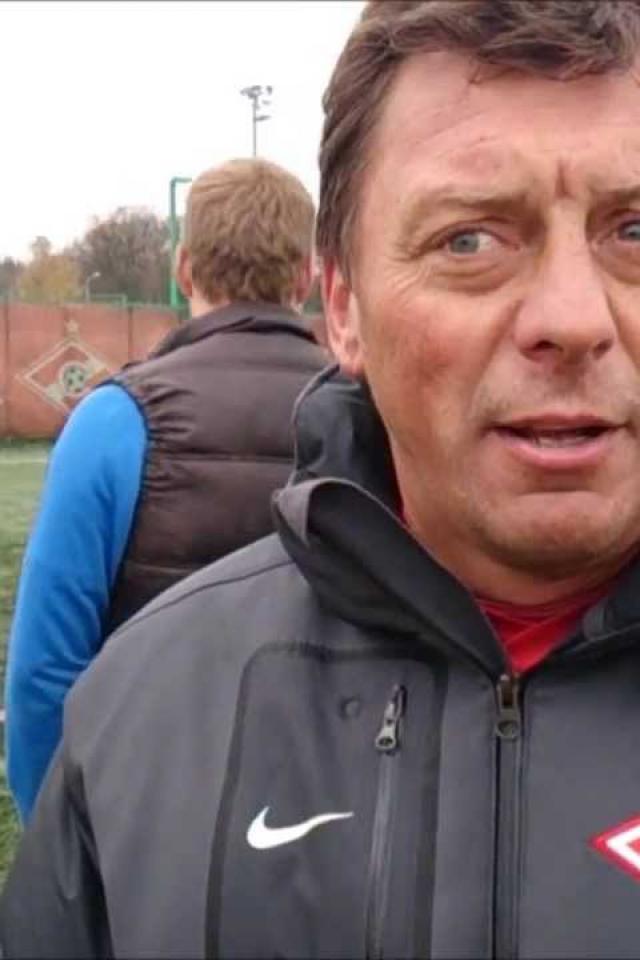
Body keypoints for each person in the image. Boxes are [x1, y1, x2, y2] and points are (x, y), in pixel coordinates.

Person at [7, 0, 640, 954]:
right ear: (340, 307)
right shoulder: (140, 717)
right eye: (470, 240)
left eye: (634, 231)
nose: (573, 317)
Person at [4, 157, 326, 822]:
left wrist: (58, 839)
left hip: (152, 821)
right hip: (330, 814)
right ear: (308, 275)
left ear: (183, 270)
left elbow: (44, 672)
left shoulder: (116, 420)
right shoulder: (376, 419)